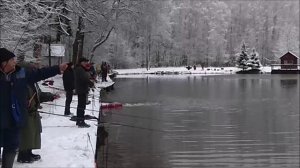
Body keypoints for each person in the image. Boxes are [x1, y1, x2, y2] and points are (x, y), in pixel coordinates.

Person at [0, 48, 67, 168]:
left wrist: (57, 68)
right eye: (11, 60)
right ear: (3, 63)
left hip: (15, 119)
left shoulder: (21, 73)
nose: (14, 62)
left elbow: (40, 73)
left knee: (10, 148)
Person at [17, 82, 57, 163]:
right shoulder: (20, 82)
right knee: (26, 133)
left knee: (33, 132)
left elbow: (39, 95)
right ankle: (22, 155)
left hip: (33, 112)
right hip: (25, 113)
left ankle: (28, 152)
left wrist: (51, 97)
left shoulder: (33, 83)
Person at [74, 57, 94, 128]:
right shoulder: (80, 69)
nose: (86, 63)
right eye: (85, 62)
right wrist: (90, 83)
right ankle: (81, 122)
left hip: (81, 89)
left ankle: (79, 121)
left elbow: (85, 77)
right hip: (81, 90)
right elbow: (84, 78)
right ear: (81, 62)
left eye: (86, 61)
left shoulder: (80, 68)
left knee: (81, 106)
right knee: (81, 106)